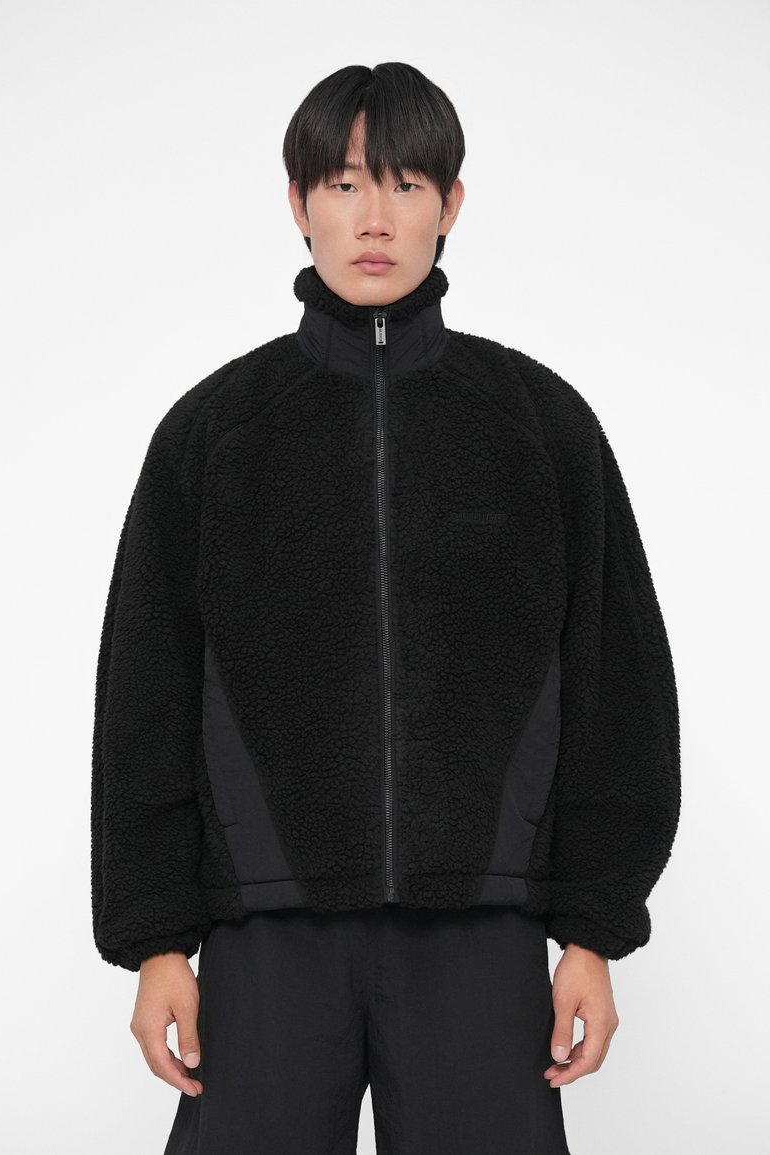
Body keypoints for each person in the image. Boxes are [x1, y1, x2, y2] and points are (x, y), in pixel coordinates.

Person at [91, 61, 681, 1155]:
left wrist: (593, 931)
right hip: (266, 934)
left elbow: (618, 683)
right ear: (298, 201)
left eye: (407, 184)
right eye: (346, 182)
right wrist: (157, 939)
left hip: (480, 933)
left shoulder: (539, 426)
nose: (375, 217)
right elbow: (145, 696)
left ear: (450, 205)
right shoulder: (214, 434)